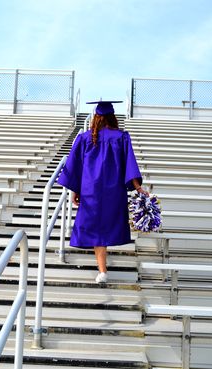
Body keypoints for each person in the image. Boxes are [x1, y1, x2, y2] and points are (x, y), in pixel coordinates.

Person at [57, 100, 148, 283]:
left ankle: (102, 271)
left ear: (96, 117)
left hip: (91, 191)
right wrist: (137, 186)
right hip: (114, 192)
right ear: (113, 117)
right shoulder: (122, 137)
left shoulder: (84, 138)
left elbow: (75, 166)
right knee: (107, 227)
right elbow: (129, 163)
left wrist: (76, 190)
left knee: (96, 229)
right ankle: (102, 270)